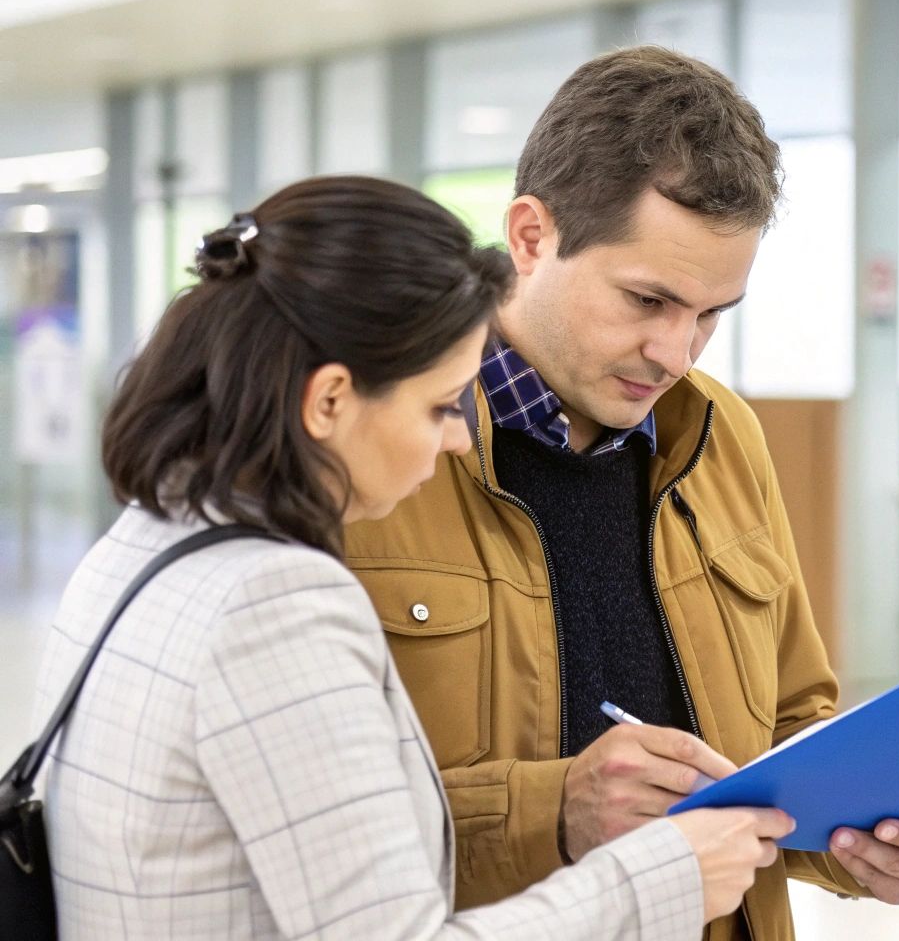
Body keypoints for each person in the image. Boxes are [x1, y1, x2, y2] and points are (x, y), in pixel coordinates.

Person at [29, 176, 791, 939]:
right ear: (329, 402)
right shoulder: (273, 601)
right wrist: (664, 876)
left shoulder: (140, 547)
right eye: (440, 407)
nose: (460, 436)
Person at [343, 45, 899, 941]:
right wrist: (551, 811)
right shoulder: (369, 452)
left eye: (713, 313)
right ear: (531, 237)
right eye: (647, 300)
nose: (677, 354)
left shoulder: (722, 434)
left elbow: (793, 720)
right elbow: (300, 824)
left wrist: (859, 839)